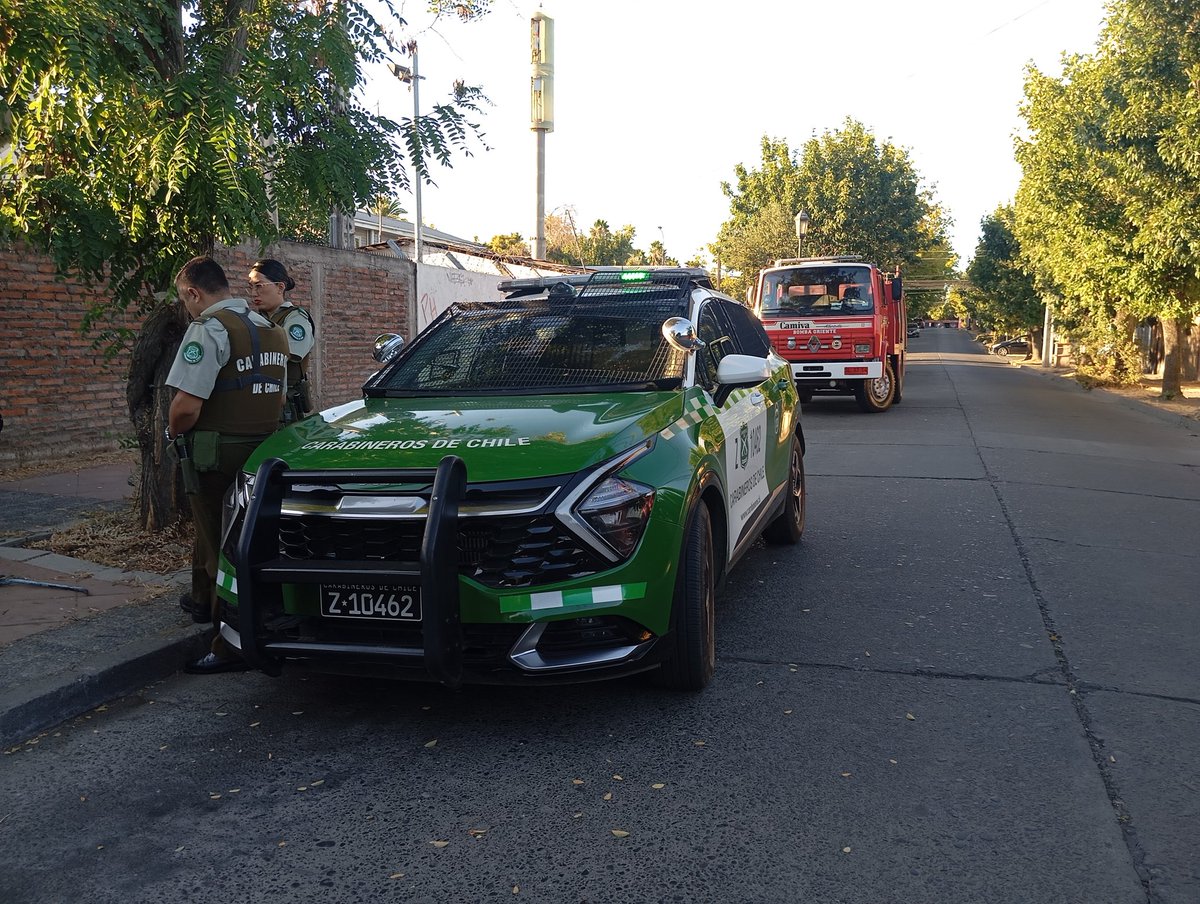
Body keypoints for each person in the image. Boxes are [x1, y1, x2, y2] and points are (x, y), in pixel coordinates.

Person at [165, 257, 289, 674]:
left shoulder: (209, 330)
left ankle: (229, 645)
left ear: (194, 293)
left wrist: (171, 432)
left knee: (223, 550)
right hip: (262, 456)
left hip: (214, 458)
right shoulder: (271, 329)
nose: (188, 309)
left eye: (187, 300)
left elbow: (185, 407)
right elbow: (280, 398)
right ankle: (205, 606)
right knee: (237, 540)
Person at [248, 258, 315, 425]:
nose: (254, 293)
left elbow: (281, 356)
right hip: (257, 404)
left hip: (285, 409)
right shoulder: (256, 319)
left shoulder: (295, 319)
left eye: (259, 286)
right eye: (251, 287)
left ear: (280, 287)